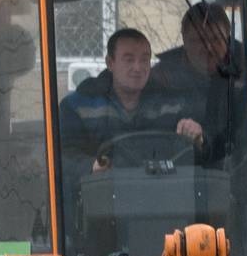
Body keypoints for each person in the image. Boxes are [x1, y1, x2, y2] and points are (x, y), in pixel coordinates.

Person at [58, 28, 204, 174]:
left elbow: (197, 154)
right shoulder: (77, 107)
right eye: (129, 60)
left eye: (144, 60)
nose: (138, 68)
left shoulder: (173, 105)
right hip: (102, 192)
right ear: (110, 63)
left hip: (160, 192)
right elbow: (62, 157)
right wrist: (91, 166)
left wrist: (198, 137)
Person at [149, 2, 245, 162]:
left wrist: (204, 141)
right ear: (184, 40)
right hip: (173, 172)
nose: (208, 47)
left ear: (228, 37)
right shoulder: (161, 77)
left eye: (215, 38)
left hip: (238, 176)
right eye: (198, 40)